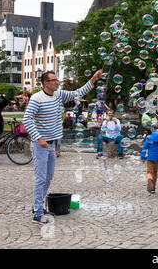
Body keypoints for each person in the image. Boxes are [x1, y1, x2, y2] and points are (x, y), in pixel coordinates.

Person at [23, 69, 103, 224]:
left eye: (57, 80)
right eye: (54, 80)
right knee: (41, 179)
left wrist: (93, 79)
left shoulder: (59, 94)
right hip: (40, 145)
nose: (57, 82)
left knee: (48, 177)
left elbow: (78, 92)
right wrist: (39, 138)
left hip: (52, 143)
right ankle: (38, 213)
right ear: (46, 83)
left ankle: (37, 206)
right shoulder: (36, 98)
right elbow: (27, 120)